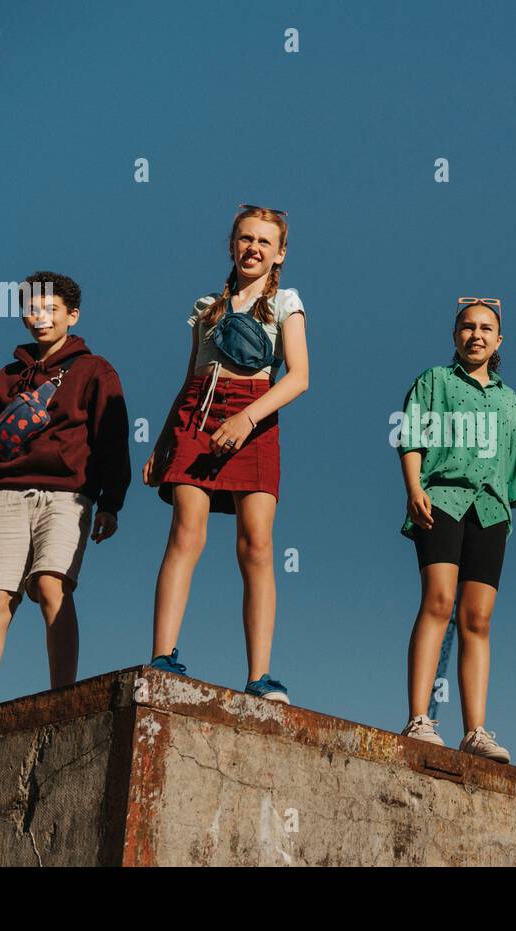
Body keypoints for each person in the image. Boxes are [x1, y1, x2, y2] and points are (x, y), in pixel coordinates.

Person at [143, 205, 309, 703]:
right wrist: (164, 439)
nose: (253, 248)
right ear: (232, 245)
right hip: (199, 412)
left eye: (264, 241)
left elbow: (299, 377)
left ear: (280, 252)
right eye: (244, 238)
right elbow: (188, 378)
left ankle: (260, 677)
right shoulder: (206, 308)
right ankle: (163, 657)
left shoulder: (288, 304)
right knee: (186, 532)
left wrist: (247, 418)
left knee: (255, 544)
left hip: (254, 413)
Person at [0, 271, 130, 711]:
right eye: (32, 309)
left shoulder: (95, 370)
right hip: (7, 496)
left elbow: (112, 440)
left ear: (72, 315)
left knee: (52, 586)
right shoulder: (4, 378)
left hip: (67, 497)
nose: (40, 317)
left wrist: (111, 503)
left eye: (51, 309)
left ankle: (61, 701)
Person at [394, 297, 516, 763]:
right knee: (439, 602)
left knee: (478, 620)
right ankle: (419, 718)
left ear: (499, 340)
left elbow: (515, 469)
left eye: (486, 328)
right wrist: (412, 487)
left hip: (492, 512)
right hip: (441, 499)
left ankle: (476, 731)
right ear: (455, 335)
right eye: (468, 327)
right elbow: (412, 437)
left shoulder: (508, 399)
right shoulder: (434, 381)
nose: (476, 335)